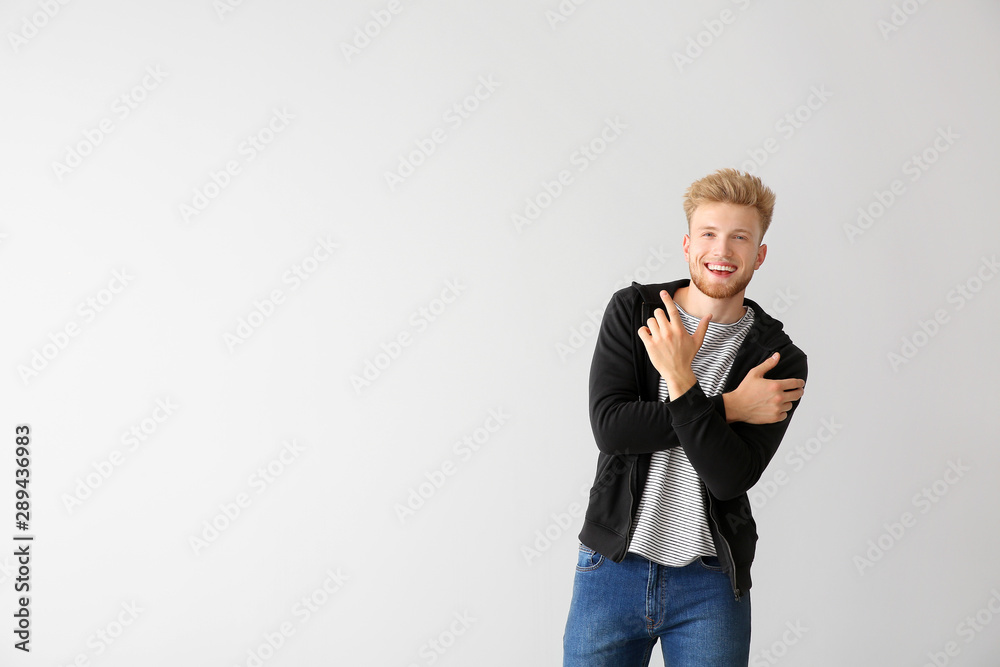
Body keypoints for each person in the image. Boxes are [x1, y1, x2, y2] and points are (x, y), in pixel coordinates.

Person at [563, 168, 808, 666]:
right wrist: (729, 406)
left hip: (711, 583)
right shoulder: (635, 312)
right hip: (611, 568)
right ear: (687, 243)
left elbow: (730, 477)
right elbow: (611, 428)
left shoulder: (778, 359)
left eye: (741, 237)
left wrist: (679, 382)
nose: (723, 250)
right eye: (710, 234)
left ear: (760, 254)